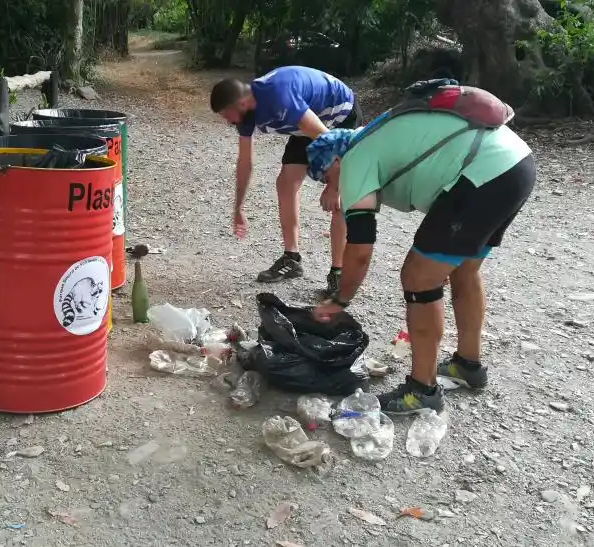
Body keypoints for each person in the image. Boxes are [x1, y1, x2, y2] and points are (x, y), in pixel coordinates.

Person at [306, 94, 536, 414]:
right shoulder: (375, 138)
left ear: (334, 162)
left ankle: (423, 389)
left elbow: (359, 250)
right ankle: (467, 365)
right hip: (516, 164)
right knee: (464, 269)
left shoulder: (355, 157)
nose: (332, 186)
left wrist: (339, 301)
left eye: (326, 178)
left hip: (483, 172)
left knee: (418, 276)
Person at [210, 66, 363, 295]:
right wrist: (238, 207)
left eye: (225, 115)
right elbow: (245, 162)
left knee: (340, 198)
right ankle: (292, 259)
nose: (226, 121)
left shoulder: (279, 97)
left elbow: (328, 139)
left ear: (239, 104)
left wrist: (334, 186)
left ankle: (338, 273)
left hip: (339, 114)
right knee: (286, 182)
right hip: (308, 120)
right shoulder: (246, 112)